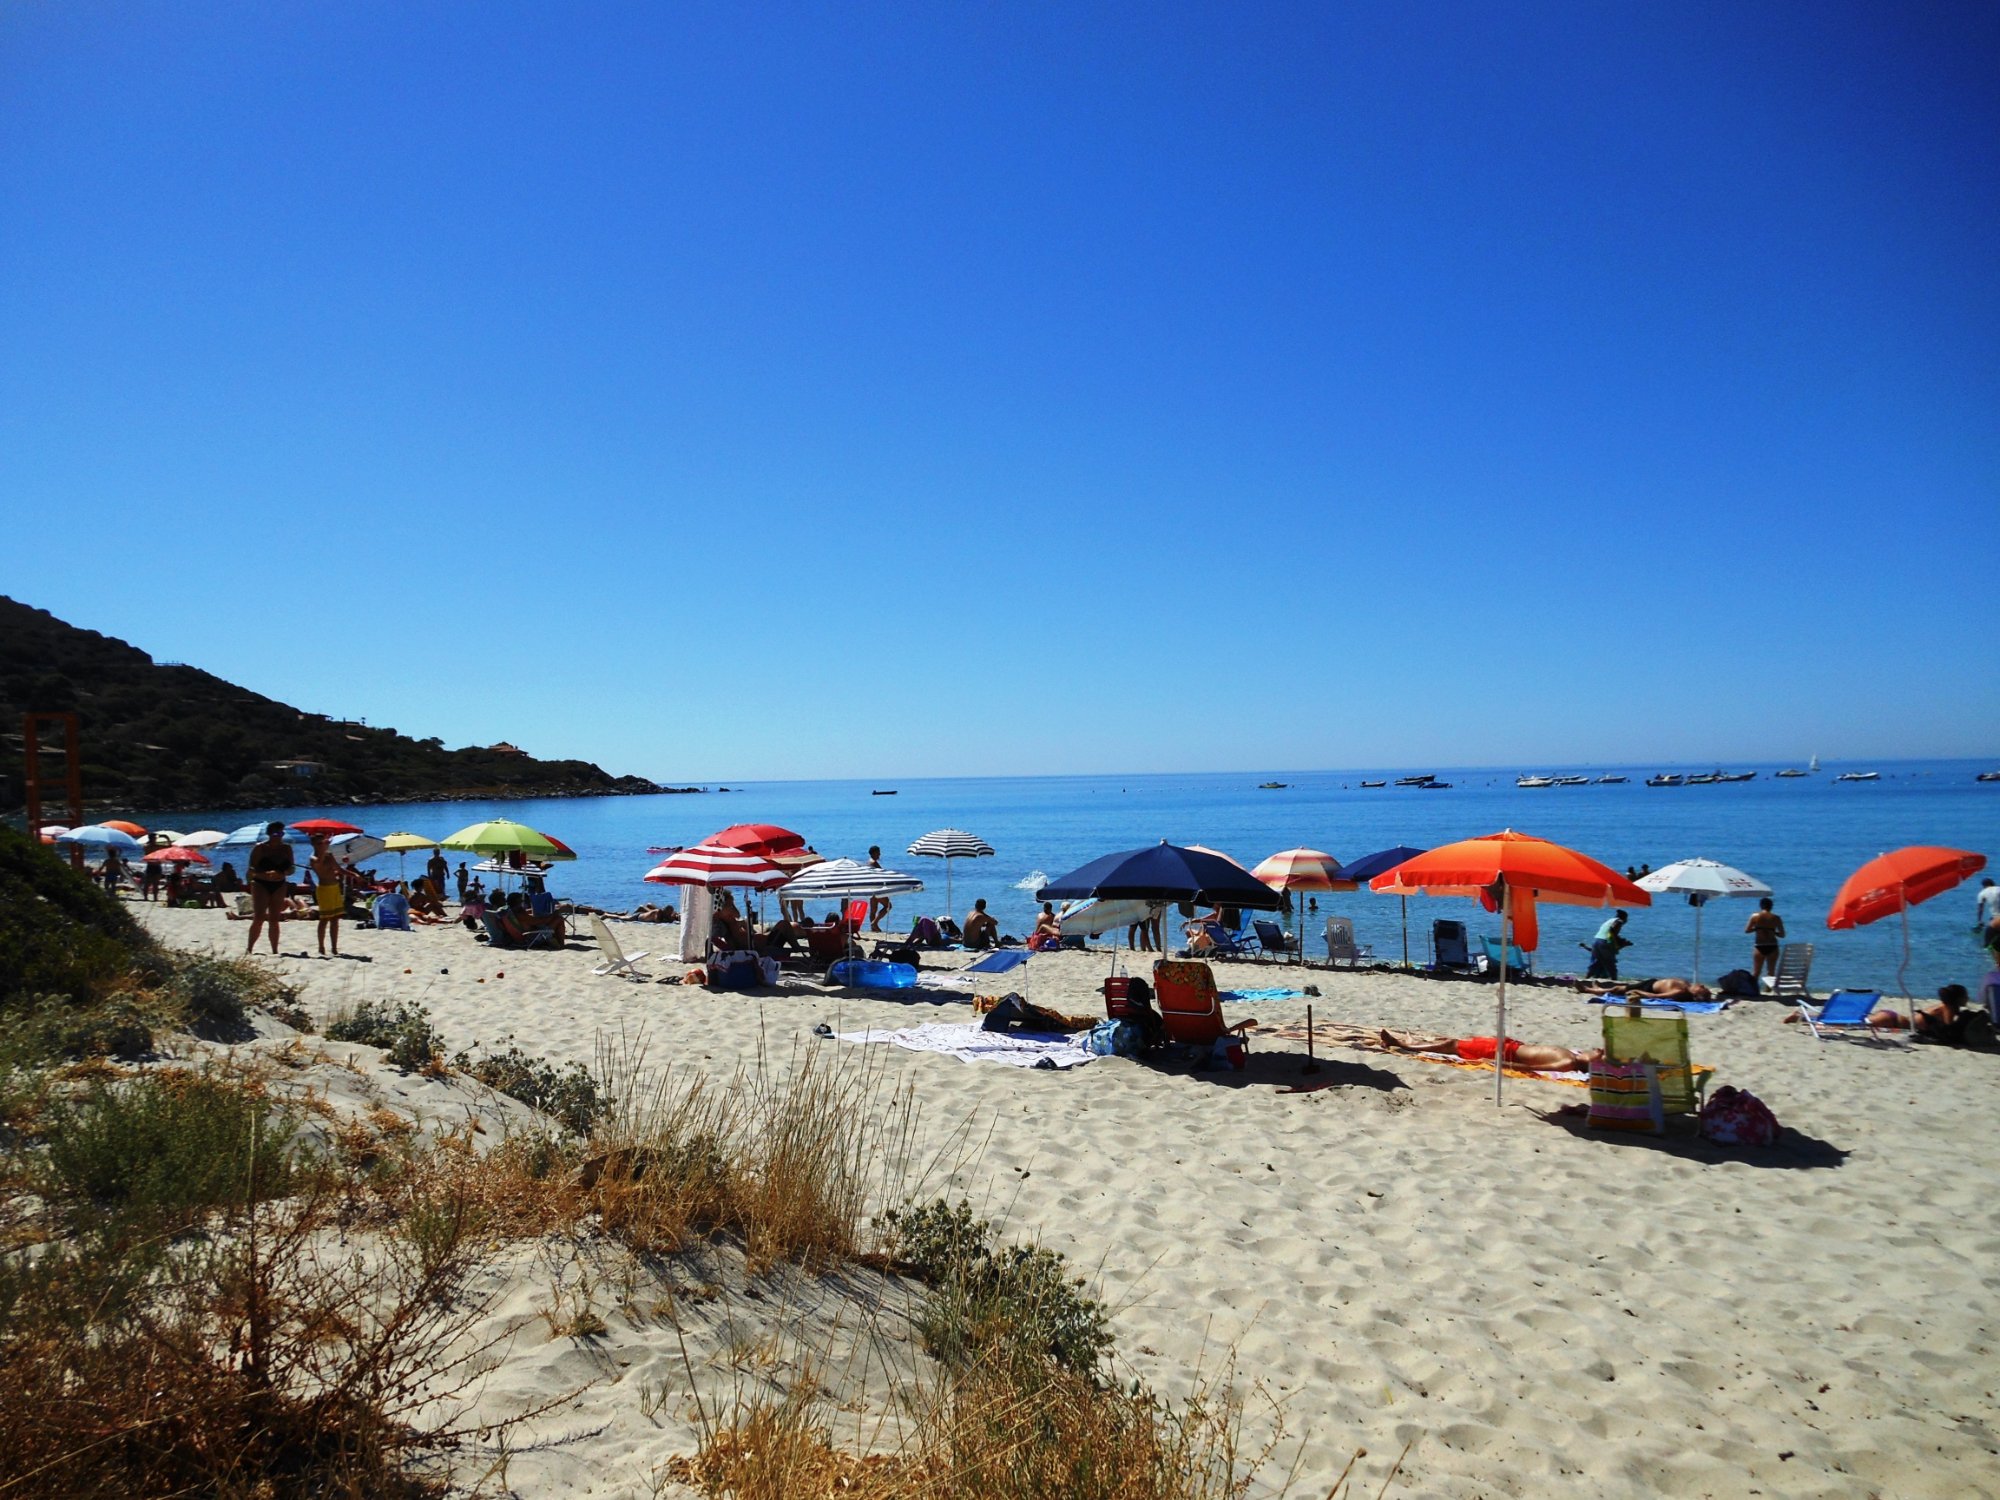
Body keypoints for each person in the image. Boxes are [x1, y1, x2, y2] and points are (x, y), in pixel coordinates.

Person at [1373, 1027, 1602, 1071]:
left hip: (1504, 1053)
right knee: (1453, 1044)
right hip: (1509, 1046)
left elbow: (1536, 1066)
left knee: (1452, 1046)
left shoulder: (1568, 1062)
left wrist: (1501, 1064)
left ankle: (1402, 1044)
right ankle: (1408, 1044)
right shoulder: (1573, 1055)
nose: (1596, 1048)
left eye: (1599, 1053)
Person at [245, 822, 295, 955]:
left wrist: (282, 873)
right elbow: (250, 871)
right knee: (259, 917)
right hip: (261, 883)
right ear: (269, 834)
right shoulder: (260, 848)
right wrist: (264, 874)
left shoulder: (286, 848)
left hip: (279, 883)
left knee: (274, 918)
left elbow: (291, 868)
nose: (278, 836)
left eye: (281, 834)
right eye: (275, 834)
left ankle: (274, 950)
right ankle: (249, 948)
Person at [308, 834, 345, 957]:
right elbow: (318, 863)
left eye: (322, 843)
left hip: (334, 887)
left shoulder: (329, 856)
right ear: (313, 845)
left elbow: (338, 869)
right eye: (319, 844)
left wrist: (354, 875)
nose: (322, 845)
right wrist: (324, 849)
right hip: (324, 889)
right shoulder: (313, 858)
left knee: (335, 919)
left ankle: (334, 947)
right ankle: (321, 946)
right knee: (324, 919)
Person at [500, 891, 566, 946]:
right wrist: (553, 914)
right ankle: (561, 944)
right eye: (521, 900)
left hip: (526, 935)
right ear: (518, 902)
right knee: (558, 919)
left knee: (553, 918)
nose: (523, 902)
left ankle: (556, 942)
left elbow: (530, 920)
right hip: (533, 937)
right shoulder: (519, 913)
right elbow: (539, 921)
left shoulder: (512, 912)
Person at [1745, 898, 1785, 987]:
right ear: (1771, 906)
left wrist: (1757, 928)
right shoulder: (1776, 918)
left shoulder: (1755, 916)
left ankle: (1753, 990)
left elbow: (1747, 930)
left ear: (1761, 906)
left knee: (1756, 971)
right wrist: (1773, 931)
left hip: (1760, 945)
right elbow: (1782, 935)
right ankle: (1768, 990)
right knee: (1771, 972)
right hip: (1772, 945)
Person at [1586, 910, 1630, 981]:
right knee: (1611, 964)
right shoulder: (1619, 921)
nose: (1627, 920)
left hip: (1597, 941)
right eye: (1627, 918)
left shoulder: (1609, 921)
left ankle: (1586, 978)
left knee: (1597, 963)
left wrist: (1619, 940)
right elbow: (1612, 930)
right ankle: (1614, 981)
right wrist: (1621, 940)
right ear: (1624, 917)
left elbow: (1611, 932)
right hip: (1604, 942)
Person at [866, 846, 892, 932]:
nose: (879, 854)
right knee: (888, 906)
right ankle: (874, 923)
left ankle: (873, 929)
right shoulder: (873, 863)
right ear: (873, 853)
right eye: (878, 852)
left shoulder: (868, 862)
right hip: (877, 889)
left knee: (873, 910)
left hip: (871, 889)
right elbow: (882, 875)